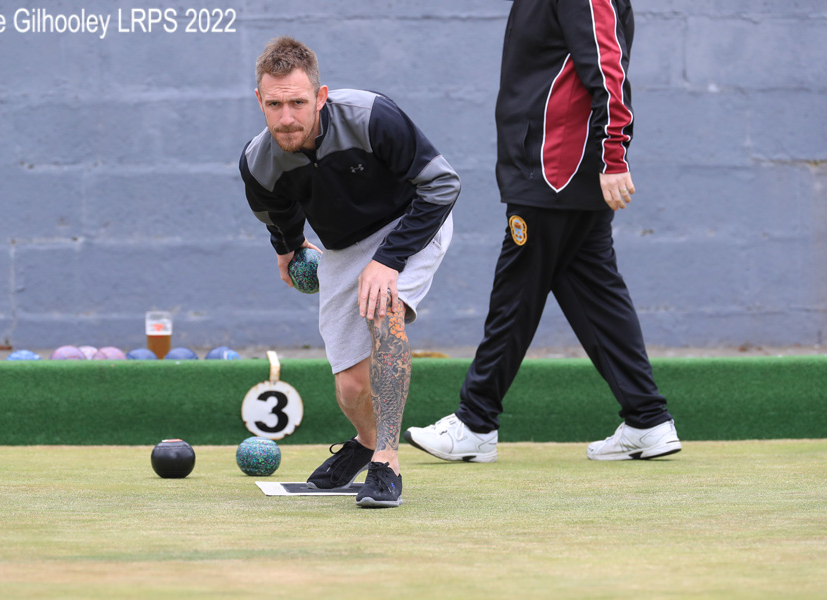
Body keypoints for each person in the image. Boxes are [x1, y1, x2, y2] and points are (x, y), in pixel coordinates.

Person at [404, 0, 681, 462]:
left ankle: (474, 422)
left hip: (555, 171)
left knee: (516, 294)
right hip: (553, 170)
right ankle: (647, 420)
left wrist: (614, 156)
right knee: (595, 294)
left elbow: (607, 65)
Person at [239, 37, 458, 507]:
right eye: (274, 105)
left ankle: (387, 460)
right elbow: (280, 216)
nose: (287, 118)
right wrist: (289, 248)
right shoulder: (258, 163)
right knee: (352, 386)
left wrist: (390, 260)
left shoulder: (372, 116)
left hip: (411, 225)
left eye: (298, 102)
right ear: (260, 101)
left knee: (384, 308)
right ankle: (364, 441)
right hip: (343, 248)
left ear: (321, 96)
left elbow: (442, 185)